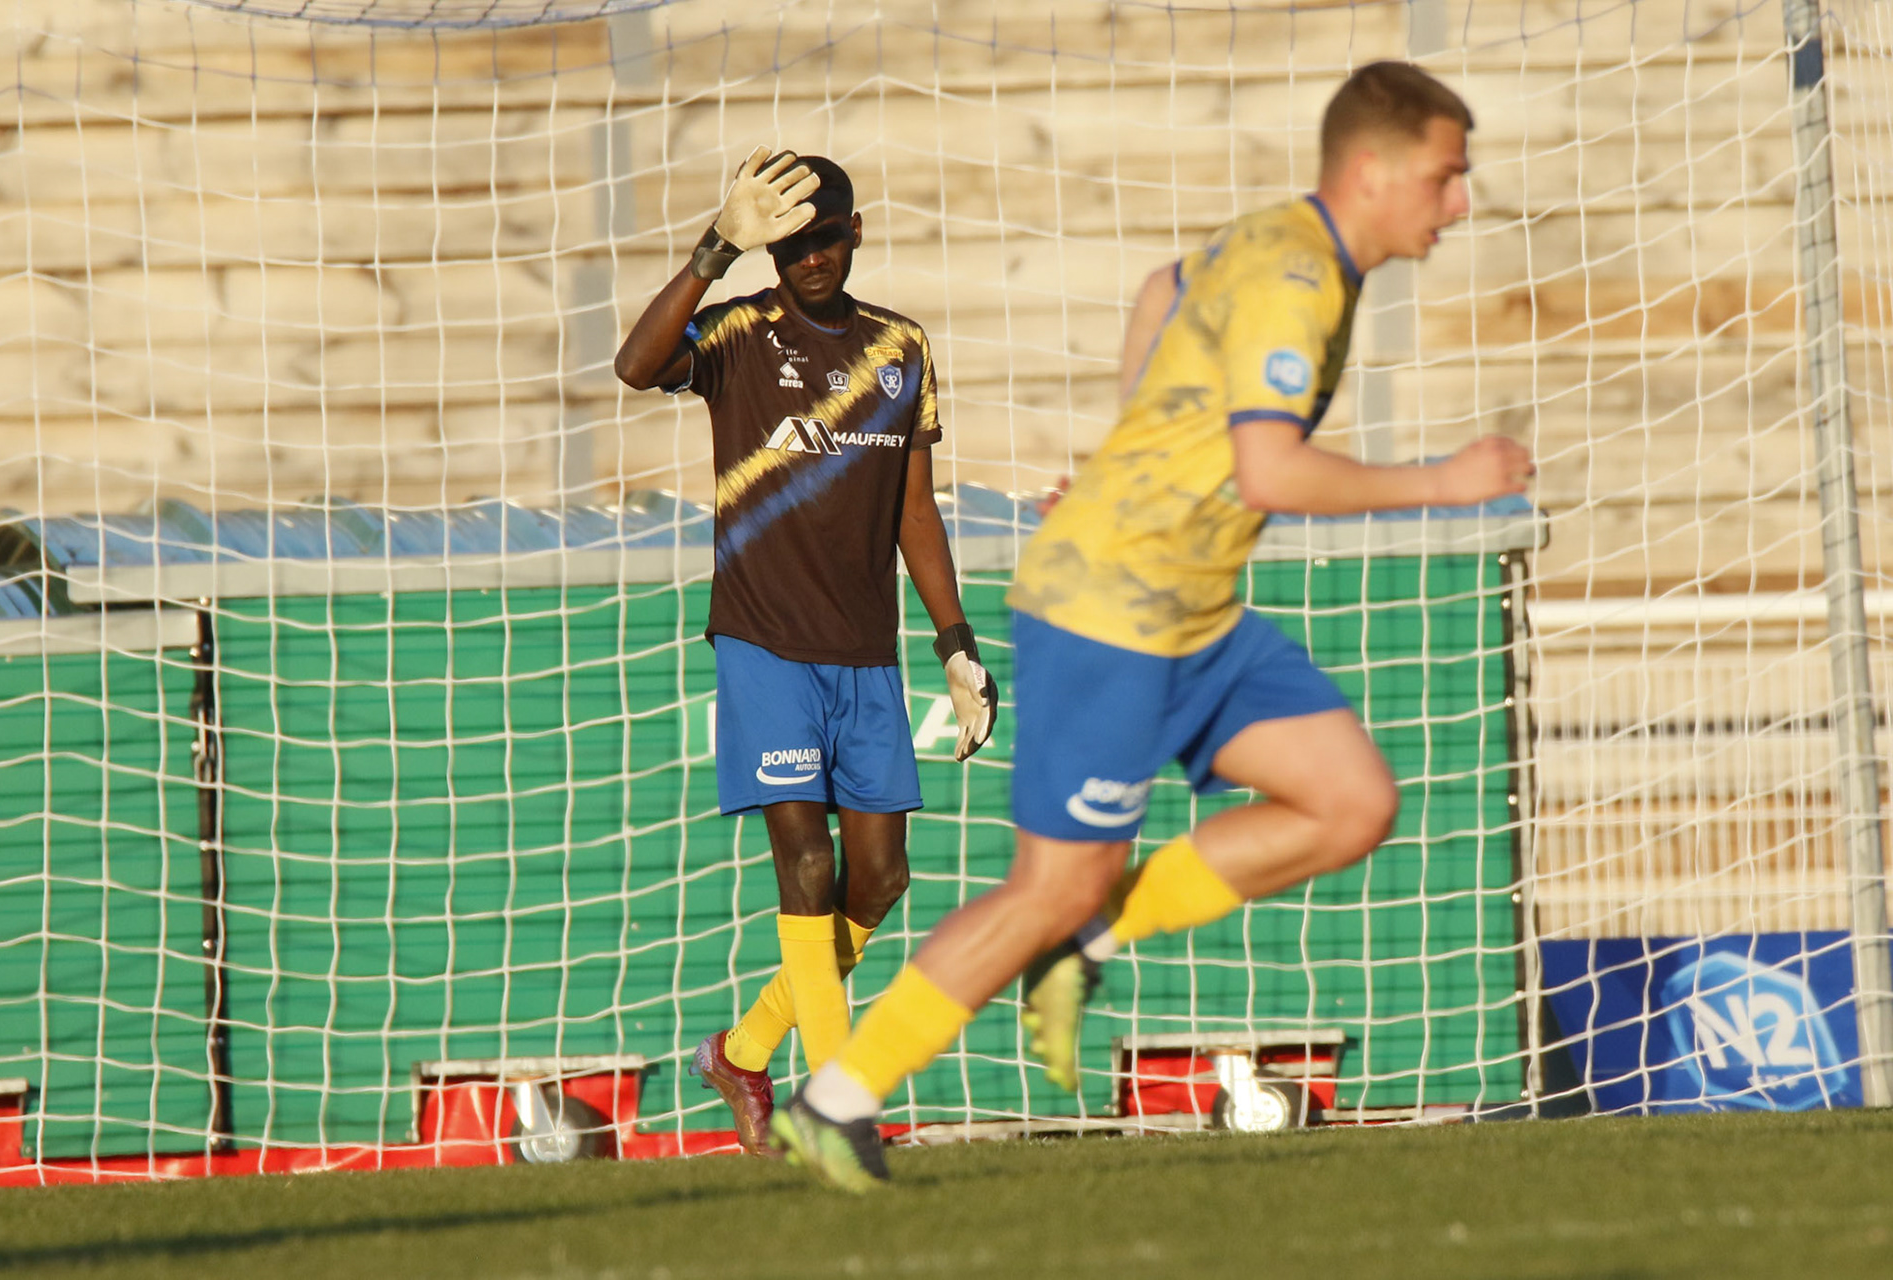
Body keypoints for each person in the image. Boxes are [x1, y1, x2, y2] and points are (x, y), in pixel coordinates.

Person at [770, 62, 1535, 1191]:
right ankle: (835, 1100)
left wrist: (1125, 456)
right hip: (1109, 610)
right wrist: (1446, 481)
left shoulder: (1292, 241)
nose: (1460, 201)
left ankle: (1089, 939)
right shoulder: (1298, 280)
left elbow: (1159, 287)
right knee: (1049, 884)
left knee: (1352, 802)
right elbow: (1270, 470)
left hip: (1198, 609)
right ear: (1374, 170)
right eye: (1445, 175)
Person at [614, 149, 998, 1156]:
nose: (809, 257)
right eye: (788, 244)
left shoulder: (900, 347)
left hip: (867, 653)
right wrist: (714, 249)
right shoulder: (739, 332)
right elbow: (635, 365)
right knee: (808, 861)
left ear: (855, 233)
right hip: (765, 643)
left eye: (824, 237)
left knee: (881, 878)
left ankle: (742, 1051)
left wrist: (954, 640)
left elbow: (915, 507)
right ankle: (837, 1105)